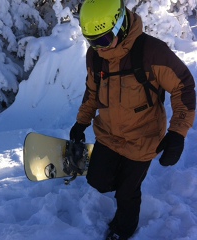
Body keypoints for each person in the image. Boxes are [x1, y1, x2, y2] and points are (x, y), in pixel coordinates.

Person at [69, 0, 196, 239]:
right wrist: (81, 122)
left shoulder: (152, 52)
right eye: (92, 41)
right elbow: (92, 92)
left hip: (142, 139)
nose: (99, 48)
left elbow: (184, 87)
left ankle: (123, 230)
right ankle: (117, 174)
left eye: (104, 40)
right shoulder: (95, 56)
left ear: (120, 25)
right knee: (98, 181)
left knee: (127, 193)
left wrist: (177, 133)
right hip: (108, 134)